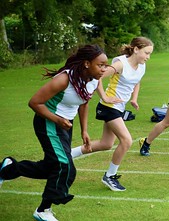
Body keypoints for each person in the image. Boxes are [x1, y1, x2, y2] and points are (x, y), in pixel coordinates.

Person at [0, 45, 107, 221]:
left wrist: (84, 130)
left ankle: (8, 168)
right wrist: (57, 120)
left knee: (51, 167)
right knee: (64, 166)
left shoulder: (93, 80)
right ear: (87, 63)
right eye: (100, 65)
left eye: (105, 65)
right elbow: (34, 103)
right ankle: (43, 210)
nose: (104, 69)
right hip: (48, 121)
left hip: (65, 124)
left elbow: (84, 103)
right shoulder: (64, 80)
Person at [70, 37, 154, 191]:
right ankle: (109, 176)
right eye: (146, 53)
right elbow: (98, 75)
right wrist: (104, 96)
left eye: (150, 54)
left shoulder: (141, 65)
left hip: (118, 108)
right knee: (127, 140)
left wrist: (134, 99)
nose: (148, 57)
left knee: (106, 144)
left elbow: (137, 81)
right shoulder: (120, 64)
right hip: (109, 107)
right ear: (136, 50)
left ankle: (68, 155)